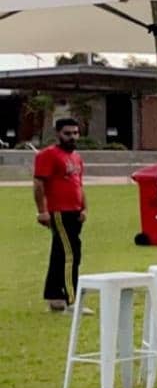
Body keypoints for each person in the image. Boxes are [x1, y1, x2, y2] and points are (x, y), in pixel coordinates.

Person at [34, 118, 87, 312]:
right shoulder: (48, 155)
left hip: (74, 211)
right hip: (59, 211)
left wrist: (84, 208)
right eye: (67, 133)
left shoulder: (76, 157)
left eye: (75, 133)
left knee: (61, 253)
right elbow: (39, 184)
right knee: (70, 255)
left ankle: (54, 295)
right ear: (58, 134)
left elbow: (79, 185)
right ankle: (71, 299)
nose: (72, 137)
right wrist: (42, 211)